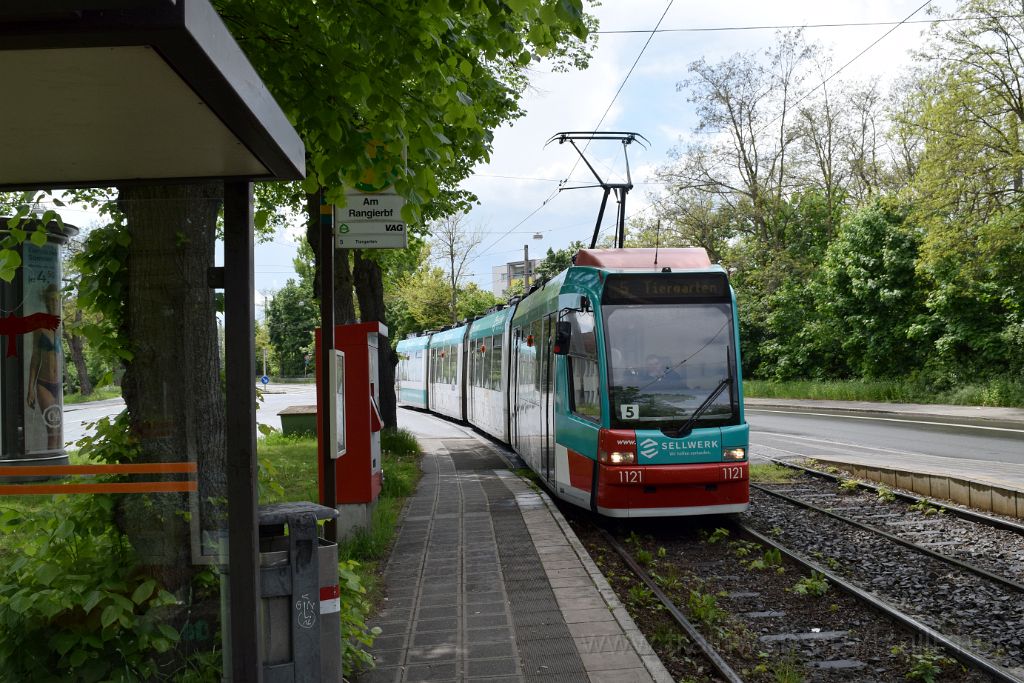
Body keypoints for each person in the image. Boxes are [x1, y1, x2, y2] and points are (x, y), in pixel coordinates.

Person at [26, 284, 62, 450]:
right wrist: (30, 389)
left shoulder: (59, 326)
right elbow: (35, 358)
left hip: (57, 385)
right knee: (52, 430)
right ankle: (50, 464)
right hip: (44, 385)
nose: (53, 303)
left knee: (58, 432)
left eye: (56, 300)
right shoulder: (40, 327)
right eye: (50, 300)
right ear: (46, 302)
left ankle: (55, 464)